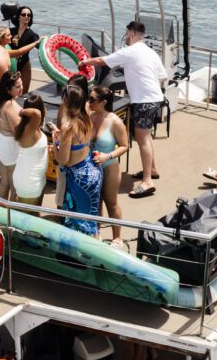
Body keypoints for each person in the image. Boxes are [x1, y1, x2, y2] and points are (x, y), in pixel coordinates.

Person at [80, 21, 167, 198]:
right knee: (147, 135)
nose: (126, 37)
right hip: (156, 98)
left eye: (127, 34)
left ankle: (147, 181)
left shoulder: (129, 51)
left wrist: (84, 62)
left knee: (142, 138)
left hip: (143, 100)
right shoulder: (150, 52)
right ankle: (152, 169)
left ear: (132, 34)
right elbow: (163, 77)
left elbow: (101, 61)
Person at [53, 85, 103, 235]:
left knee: (76, 223)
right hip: (92, 173)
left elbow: (63, 160)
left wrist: (55, 144)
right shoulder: (86, 120)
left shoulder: (67, 127)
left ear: (66, 101)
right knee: (89, 218)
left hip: (78, 180)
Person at [89, 86, 128, 247]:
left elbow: (125, 146)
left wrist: (108, 156)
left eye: (92, 100)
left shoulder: (115, 121)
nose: (89, 102)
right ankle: (96, 232)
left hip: (109, 166)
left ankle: (117, 237)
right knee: (95, 201)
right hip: (93, 165)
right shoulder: (91, 116)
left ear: (103, 102)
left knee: (111, 202)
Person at [54, 74, 90, 208]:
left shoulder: (86, 110)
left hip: (72, 163)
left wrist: (54, 145)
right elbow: (59, 127)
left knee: (66, 199)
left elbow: (63, 160)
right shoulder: (63, 107)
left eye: (73, 87)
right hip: (71, 154)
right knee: (64, 196)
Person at [0, 71, 24, 201]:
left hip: (0, 142)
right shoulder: (10, 106)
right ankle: (11, 217)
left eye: (21, 85)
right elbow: (18, 133)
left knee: (4, 181)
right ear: (8, 89)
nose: (21, 89)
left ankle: (1, 213)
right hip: (11, 148)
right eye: (17, 87)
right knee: (15, 186)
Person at [12, 94, 48, 205]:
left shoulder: (31, 128)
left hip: (36, 179)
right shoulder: (29, 130)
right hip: (29, 183)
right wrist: (22, 111)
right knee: (27, 219)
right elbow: (37, 114)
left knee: (33, 215)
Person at [10, 6, 40, 93]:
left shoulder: (32, 35)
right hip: (11, 64)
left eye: (29, 15)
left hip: (24, 65)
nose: (26, 16)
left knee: (22, 92)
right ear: (19, 17)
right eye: (23, 14)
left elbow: (39, 46)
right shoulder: (11, 31)